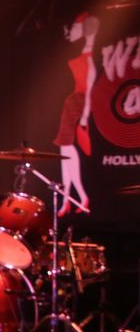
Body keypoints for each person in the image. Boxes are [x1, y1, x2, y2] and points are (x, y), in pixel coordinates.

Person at [54, 12, 98, 217]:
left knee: (66, 152)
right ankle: (70, 199)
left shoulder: (89, 60)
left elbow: (89, 93)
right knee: (65, 153)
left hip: (77, 104)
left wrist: (85, 117)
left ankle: (77, 196)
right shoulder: (81, 54)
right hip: (72, 103)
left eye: (75, 26)